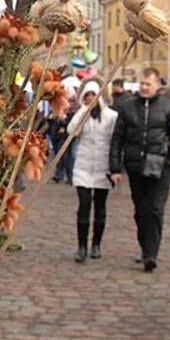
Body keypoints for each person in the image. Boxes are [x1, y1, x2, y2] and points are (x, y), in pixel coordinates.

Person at [109, 67, 170, 272]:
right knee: (141, 211)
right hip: (135, 166)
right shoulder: (128, 107)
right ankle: (145, 247)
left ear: (157, 86)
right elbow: (117, 139)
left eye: (148, 84)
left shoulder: (167, 107)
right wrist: (115, 168)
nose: (144, 87)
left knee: (156, 210)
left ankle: (151, 254)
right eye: (142, 83)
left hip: (160, 167)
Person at [68, 77, 118, 262]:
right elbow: (71, 131)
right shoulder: (81, 114)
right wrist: (83, 112)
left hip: (103, 166)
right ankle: (81, 246)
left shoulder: (111, 116)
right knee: (83, 206)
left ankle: (96, 244)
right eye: (87, 95)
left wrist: (115, 167)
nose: (91, 98)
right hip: (83, 166)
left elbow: (116, 140)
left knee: (100, 208)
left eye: (93, 95)